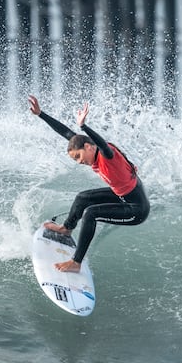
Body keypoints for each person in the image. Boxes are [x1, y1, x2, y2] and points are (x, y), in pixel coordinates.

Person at [29, 95, 150, 273]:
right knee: (82, 198)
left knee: (90, 214)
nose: (78, 162)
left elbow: (102, 144)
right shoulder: (89, 151)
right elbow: (66, 133)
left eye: (78, 156)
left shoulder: (107, 156)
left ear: (89, 147)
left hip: (136, 210)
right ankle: (66, 228)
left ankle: (76, 262)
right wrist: (41, 114)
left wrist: (84, 126)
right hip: (122, 197)